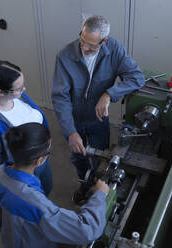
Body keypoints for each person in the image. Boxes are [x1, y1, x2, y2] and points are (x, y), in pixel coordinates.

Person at [51, 15, 145, 190]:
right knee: (78, 156)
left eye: (91, 45)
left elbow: (137, 78)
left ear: (104, 41)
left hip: (98, 119)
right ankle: (84, 184)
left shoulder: (114, 49)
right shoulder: (65, 56)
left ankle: (98, 186)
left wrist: (109, 94)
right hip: (75, 119)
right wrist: (70, 132)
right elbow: (60, 98)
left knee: (101, 156)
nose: (84, 48)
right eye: (82, 41)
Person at [0, 123, 109, 247]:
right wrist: (100, 194)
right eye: (48, 151)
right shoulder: (34, 202)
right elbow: (87, 231)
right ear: (39, 161)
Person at [0, 60, 52, 195]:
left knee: (46, 191)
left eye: (23, 86)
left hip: (41, 160)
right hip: (23, 177)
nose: (24, 90)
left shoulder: (16, 96)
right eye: (19, 89)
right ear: (1, 92)